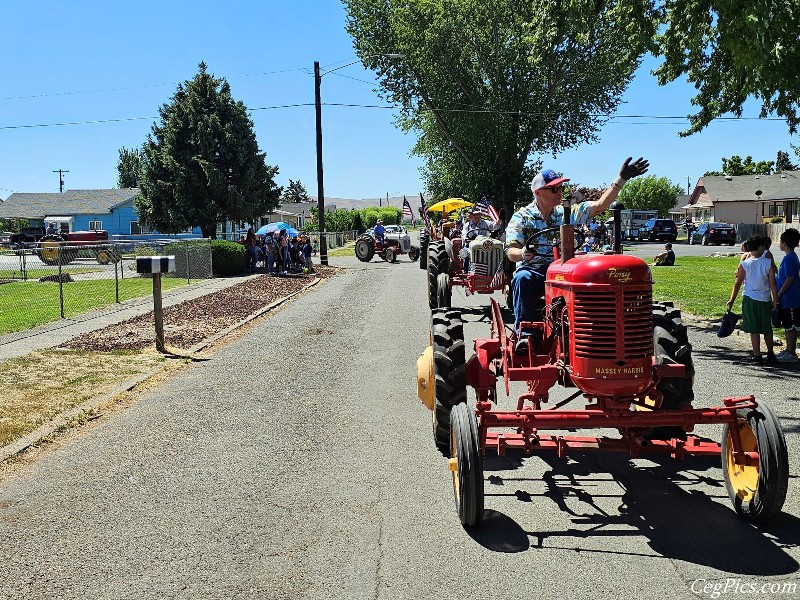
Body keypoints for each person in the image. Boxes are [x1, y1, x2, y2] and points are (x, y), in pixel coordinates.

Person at [506, 157, 650, 355]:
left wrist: (621, 179)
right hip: (535, 271)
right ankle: (526, 335)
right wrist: (522, 253)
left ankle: (597, 333)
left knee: (591, 279)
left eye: (561, 188)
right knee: (522, 278)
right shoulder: (521, 217)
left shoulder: (565, 213)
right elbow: (511, 251)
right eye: (555, 189)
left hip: (561, 270)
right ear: (538, 193)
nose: (560, 193)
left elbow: (600, 205)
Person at [726, 234, 778, 364]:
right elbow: (772, 283)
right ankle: (770, 353)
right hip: (765, 298)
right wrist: (775, 299)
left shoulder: (745, 264)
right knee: (767, 327)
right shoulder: (768, 263)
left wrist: (731, 300)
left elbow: (738, 283)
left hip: (750, 298)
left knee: (753, 328)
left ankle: (757, 354)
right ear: (761, 247)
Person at [775, 228, 800, 362]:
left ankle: (791, 353)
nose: (779, 243)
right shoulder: (788, 257)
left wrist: (779, 293)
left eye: (780, 241)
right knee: (786, 324)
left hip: (790, 298)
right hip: (786, 299)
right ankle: (787, 349)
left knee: (790, 326)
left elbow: (789, 278)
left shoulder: (790, 258)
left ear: (784, 242)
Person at [461, 206, 490, 272]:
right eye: (475, 214)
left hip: (484, 244)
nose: (477, 216)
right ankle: (467, 271)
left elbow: (495, 226)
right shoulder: (467, 225)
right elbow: (464, 234)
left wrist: (499, 221)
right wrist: (466, 238)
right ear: (471, 216)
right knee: (465, 253)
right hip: (470, 244)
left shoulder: (486, 223)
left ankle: (490, 270)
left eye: (478, 214)